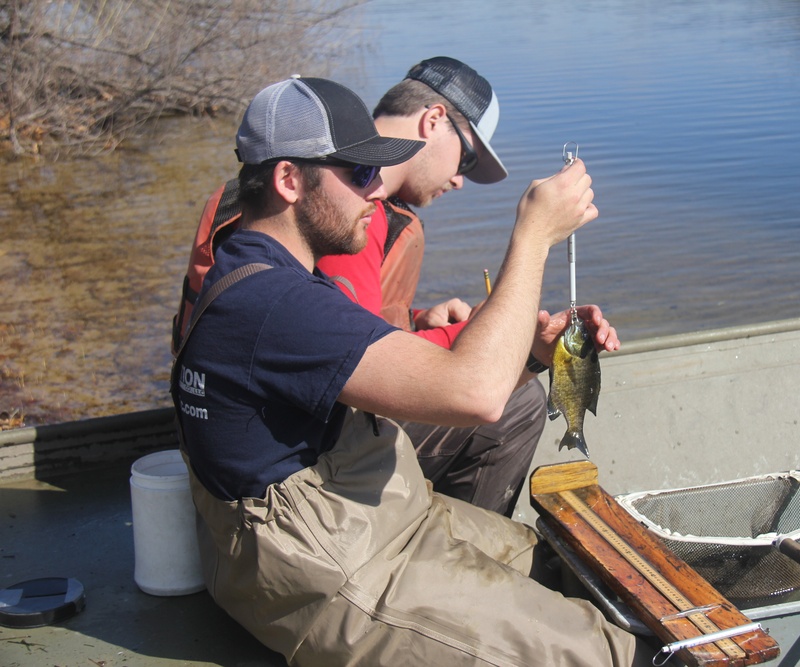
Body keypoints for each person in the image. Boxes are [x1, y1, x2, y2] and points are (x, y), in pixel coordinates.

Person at [171, 76, 650, 666]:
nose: (377, 193)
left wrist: (530, 355)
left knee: (565, 570)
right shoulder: (273, 304)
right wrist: (534, 235)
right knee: (600, 653)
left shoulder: (284, 277)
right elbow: (474, 394)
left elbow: (420, 373)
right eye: (358, 174)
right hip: (328, 568)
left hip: (374, 518)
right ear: (289, 180)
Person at [172, 58, 547, 518]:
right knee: (517, 400)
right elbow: (320, 341)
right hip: (300, 459)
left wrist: (413, 322)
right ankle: (431, 550)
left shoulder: (263, 199)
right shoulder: (328, 215)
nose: (460, 179)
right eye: (466, 157)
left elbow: (325, 333)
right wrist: (499, 326)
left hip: (262, 422)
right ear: (433, 120)